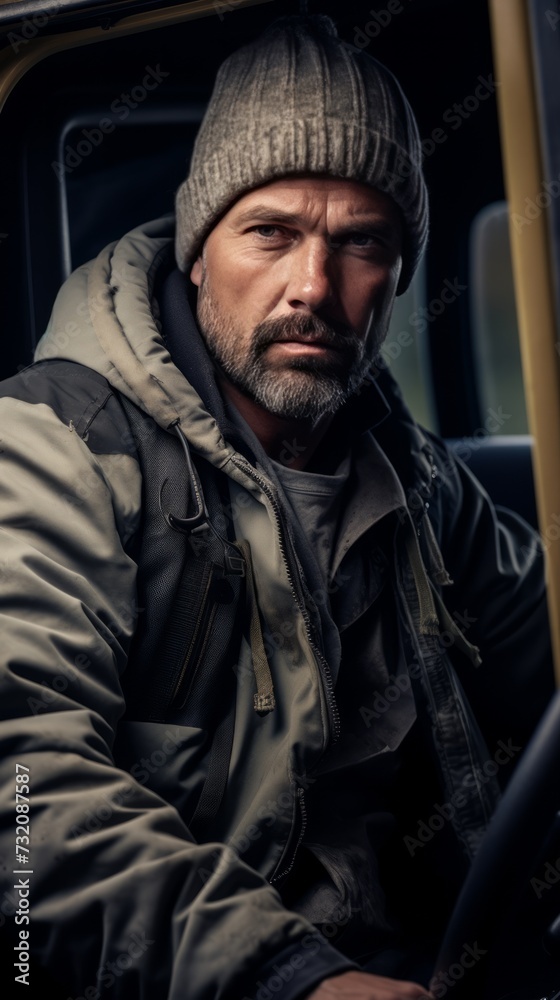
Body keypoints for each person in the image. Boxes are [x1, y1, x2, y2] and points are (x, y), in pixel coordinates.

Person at [0, 13, 554, 1000]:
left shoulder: (411, 475)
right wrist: (291, 978)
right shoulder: (52, 447)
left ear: (398, 275)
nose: (313, 287)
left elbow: (542, 637)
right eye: (271, 232)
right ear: (198, 249)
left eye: (361, 241)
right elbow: (25, 797)